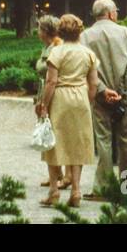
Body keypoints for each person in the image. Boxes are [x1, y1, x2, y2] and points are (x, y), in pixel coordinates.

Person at [80, 0, 127, 200]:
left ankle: (103, 189)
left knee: (103, 141)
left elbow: (87, 68)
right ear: (112, 14)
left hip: (99, 96)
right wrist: (121, 91)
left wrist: (104, 91)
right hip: (125, 96)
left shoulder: (85, 36)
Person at [37, 14, 97, 207]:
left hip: (61, 98)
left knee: (54, 143)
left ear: (61, 31)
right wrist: (87, 100)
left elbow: (51, 81)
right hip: (80, 97)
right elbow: (93, 83)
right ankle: (76, 191)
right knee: (77, 144)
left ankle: (54, 191)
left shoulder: (57, 52)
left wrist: (44, 105)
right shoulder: (88, 53)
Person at [33, 15, 69, 190]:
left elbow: (52, 78)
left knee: (56, 135)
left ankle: (65, 177)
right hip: (44, 92)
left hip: (54, 95)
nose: (37, 31)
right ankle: (55, 174)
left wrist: (44, 103)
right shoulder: (47, 46)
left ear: (45, 31)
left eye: (39, 28)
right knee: (48, 133)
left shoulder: (57, 46)